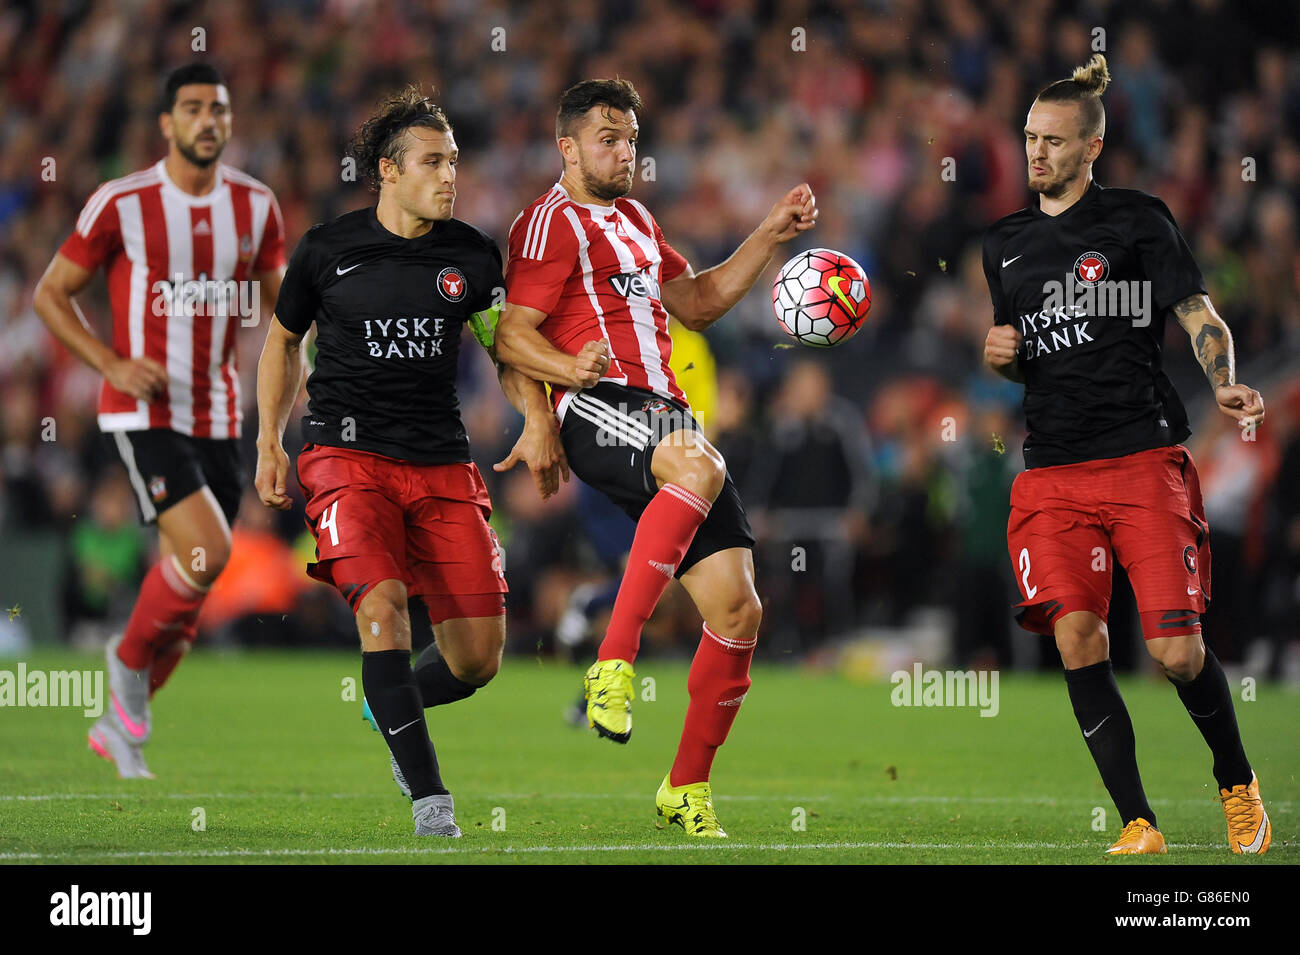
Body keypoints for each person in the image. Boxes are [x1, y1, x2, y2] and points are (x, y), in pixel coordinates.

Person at [496, 78, 819, 837]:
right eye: (609, 138)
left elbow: (698, 300)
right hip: (600, 400)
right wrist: (563, 376)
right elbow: (511, 332)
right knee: (700, 466)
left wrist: (771, 233)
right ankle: (613, 660)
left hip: (663, 414)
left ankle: (686, 788)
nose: (625, 151)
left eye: (633, 139)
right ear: (567, 147)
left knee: (739, 609)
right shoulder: (547, 223)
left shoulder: (638, 219)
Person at [982, 54, 1271, 855]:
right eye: (1030, 138)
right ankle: (1139, 822)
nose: (1036, 153)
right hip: (1051, 474)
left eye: (1053, 141)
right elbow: (1018, 352)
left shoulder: (1139, 220)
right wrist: (999, 355)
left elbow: (1198, 312)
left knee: (1177, 652)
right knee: (1079, 638)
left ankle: (1238, 782)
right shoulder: (1002, 244)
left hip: (1142, 460)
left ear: (1092, 147)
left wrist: (1224, 382)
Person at [255, 87, 562, 837]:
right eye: (433, 161)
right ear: (387, 170)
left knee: (477, 659)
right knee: (384, 614)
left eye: (454, 161)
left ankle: (392, 706)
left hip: (441, 464)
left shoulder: (469, 254)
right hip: (345, 457)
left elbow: (502, 346)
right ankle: (432, 801)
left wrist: (535, 413)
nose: (449, 175)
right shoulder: (327, 250)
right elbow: (282, 343)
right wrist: (270, 438)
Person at [33, 63, 286, 778]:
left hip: (219, 412)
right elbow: (52, 295)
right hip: (142, 408)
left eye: (220, 109)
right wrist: (108, 363)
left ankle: (120, 724)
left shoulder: (257, 208)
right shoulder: (122, 202)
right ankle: (123, 657)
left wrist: (281, 414)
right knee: (207, 553)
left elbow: (285, 311)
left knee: (189, 598)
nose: (209, 120)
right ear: (166, 125)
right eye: (193, 108)